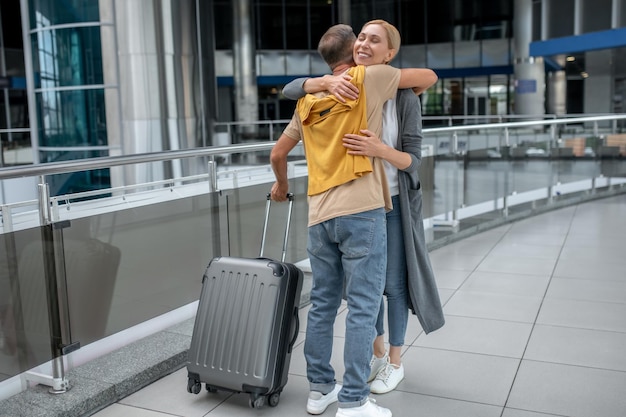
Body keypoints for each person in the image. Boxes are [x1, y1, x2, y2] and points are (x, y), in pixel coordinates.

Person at [270, 24, 437, 417]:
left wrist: (281, 188)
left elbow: (278, 154)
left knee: (325, 304)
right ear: (351, 51)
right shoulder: (370, 77)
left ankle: (319, 390)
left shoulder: (308, 103)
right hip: (363, 210)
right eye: (360, 39)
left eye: (372, 39)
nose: (365, 44)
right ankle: (353, 401)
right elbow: (428, 76)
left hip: (319, 216)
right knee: (363, 305)